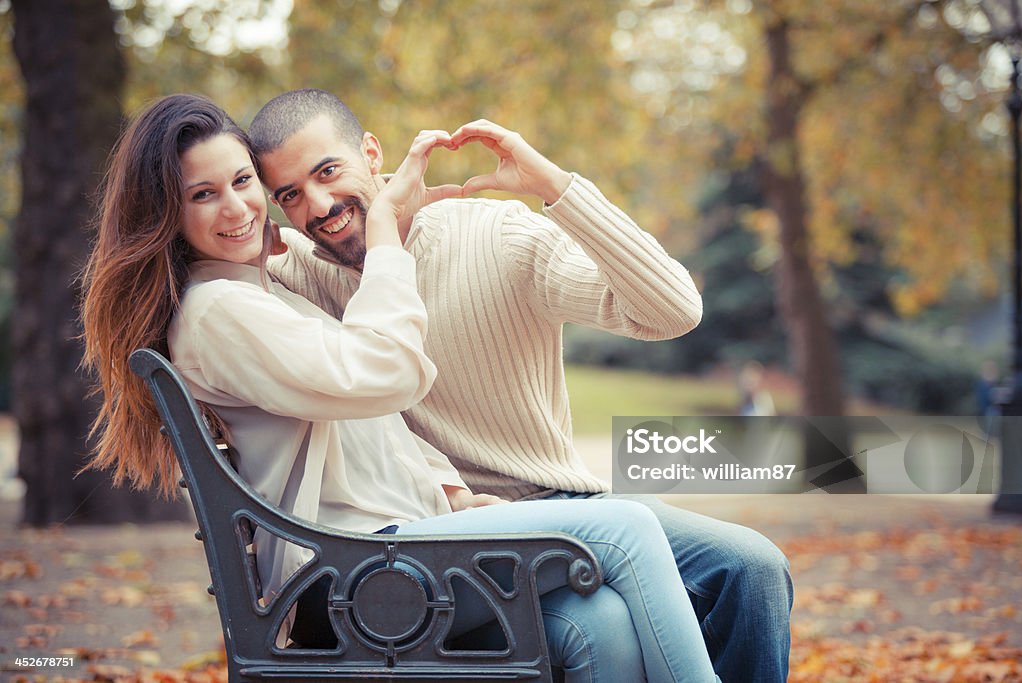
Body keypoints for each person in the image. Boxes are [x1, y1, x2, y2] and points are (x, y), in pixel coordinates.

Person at [80, 93, 720, 682]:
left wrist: (453, 495)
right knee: (626, 529)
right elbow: (388, 371)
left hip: (387, 550)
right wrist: (385, 229)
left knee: (601, 621)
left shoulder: (253, 298)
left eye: (244, 183)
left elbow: (369, 428)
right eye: (203, 195)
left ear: (370, 154)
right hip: (353, 571)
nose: (238, 207)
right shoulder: (222, 312)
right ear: (166, 210)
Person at [254, 88, 793, 682]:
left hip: (567, 506)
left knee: (753, 568)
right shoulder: (294, 277)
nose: (320, 205)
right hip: (439, 532)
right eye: (290, 195)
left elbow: (673, 310)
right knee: (606, 618)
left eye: (328, 171)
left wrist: (556, 188)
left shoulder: (495, 236)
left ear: (372, 153)